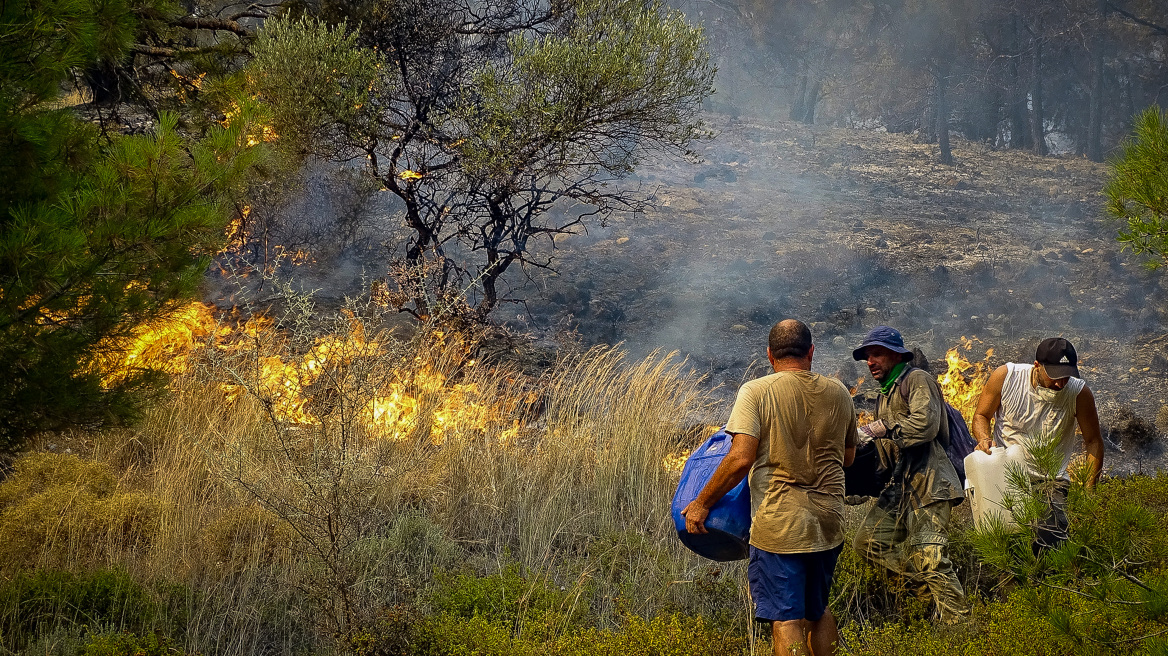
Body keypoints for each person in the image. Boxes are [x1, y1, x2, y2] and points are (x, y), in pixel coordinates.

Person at [681, 319, 857, 656]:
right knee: (818, 611)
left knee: (787, 619)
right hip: (828, 524)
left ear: (769, 354)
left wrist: (703, 502)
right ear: (811, 352)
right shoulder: (839, 392)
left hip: (780, 525)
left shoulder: (756, 391)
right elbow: (848, 458)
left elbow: (740, 459)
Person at [850, 325, 968, 624]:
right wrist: (864, 484)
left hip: (930, 485)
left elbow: (925, 426)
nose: (870, 362)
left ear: (895, 355)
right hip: (902, 488)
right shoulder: (885, 394)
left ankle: (962, 627)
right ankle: (926, 598)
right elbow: (890, 451)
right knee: (867, 543)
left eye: (876, 354)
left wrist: (882, 426)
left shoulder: (917, 379)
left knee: (931, 559)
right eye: (867, 356)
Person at [971, 337, 1103, 551]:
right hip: (1005, 475)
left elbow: (1094, 441)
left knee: (1051, 540)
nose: (1061, 384)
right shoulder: (1007, 377)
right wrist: (984, 439)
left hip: (1050, 480)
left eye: (1067, 377)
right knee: (1003, 544)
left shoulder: (1079, 394)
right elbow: (981, 415)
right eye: (1055, 377)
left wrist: (1089, 494)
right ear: (1037, 366)